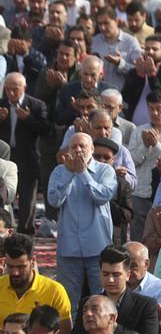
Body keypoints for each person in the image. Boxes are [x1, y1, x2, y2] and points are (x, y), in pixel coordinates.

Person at [47, 131, 119, 305]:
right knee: (67, 301)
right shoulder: (59, 171)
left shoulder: (105, 170)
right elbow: (54, 200)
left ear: (92, 149)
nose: (78, 150)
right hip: (69, 248)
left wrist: (83, 173)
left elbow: (103, 195)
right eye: (74, 147)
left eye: (83, 146)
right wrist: (70, 174)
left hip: (98, 248)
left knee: (101, 299)